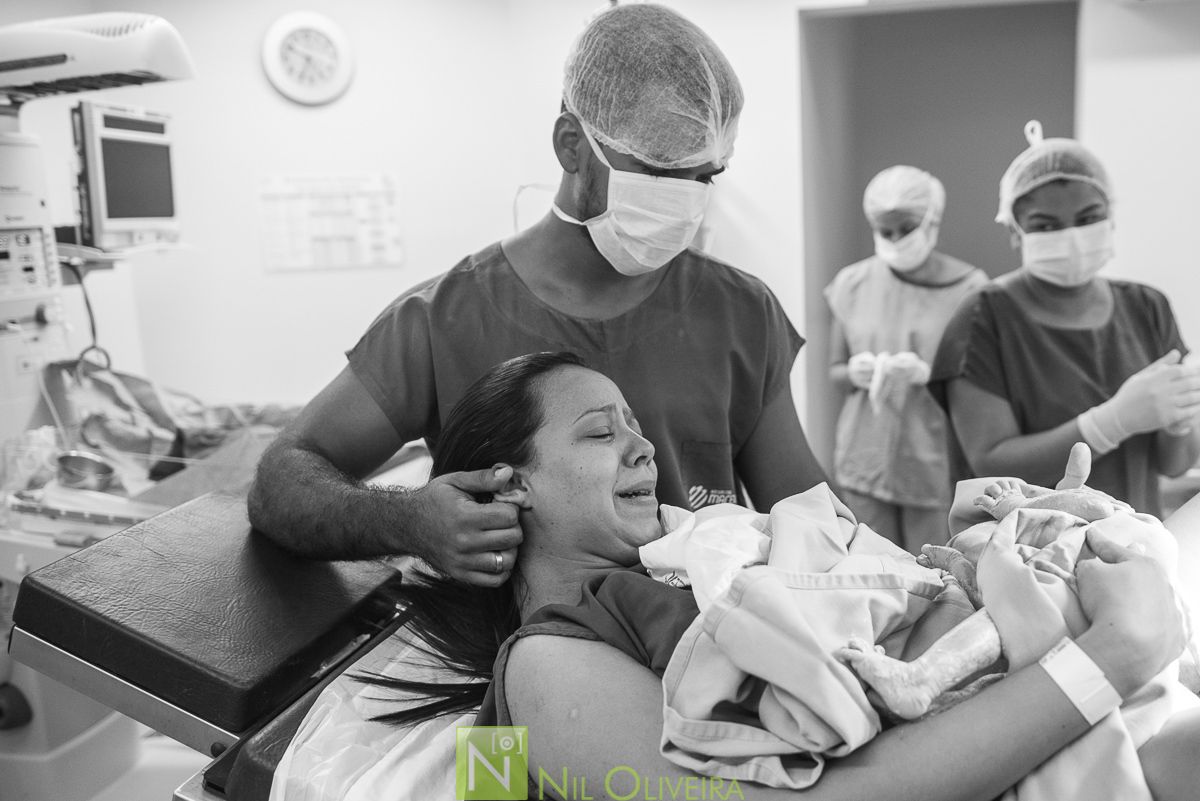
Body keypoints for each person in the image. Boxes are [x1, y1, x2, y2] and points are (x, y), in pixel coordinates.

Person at [364, 351, 1196, 801]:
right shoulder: (548, 663)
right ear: (512, 485)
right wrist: (1106, 659)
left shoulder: (704, 553)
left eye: (635, 425)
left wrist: (963, 564)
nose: (643, 446)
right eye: (597, 432)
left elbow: (860, 616)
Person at [247, 3, 826, 587]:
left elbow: (812, 523)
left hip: (698, 657)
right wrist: (407, 520)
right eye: (659, 171)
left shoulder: (740, 313)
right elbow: (282, 481)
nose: (685, 199)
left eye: (704, 177)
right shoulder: (440, 322)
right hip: (517, 665)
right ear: (572, 146)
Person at [931, 121, 1200, 519]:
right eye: (1046, 225)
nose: (1071, 235)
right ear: (1014, 231)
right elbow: (989, 465)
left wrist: (1178, 423)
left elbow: (1173, 464)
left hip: (1132, 542)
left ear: (1111, 217)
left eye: (1089, 217)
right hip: (1024, 550)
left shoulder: (1147, 307)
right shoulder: (982, 318)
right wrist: (1109, 422)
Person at [826, 166, 987, 552]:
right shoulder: (852, 283)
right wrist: (854, 372)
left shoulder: (970, 288)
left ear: (932, 222)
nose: (897, 240)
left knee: (933, 577)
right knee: (871, 571)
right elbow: (834, 372)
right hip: (865, 455)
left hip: (931, 458)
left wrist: (931, 375)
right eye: (886, 231)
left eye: (907, 228)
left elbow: (982, 385)